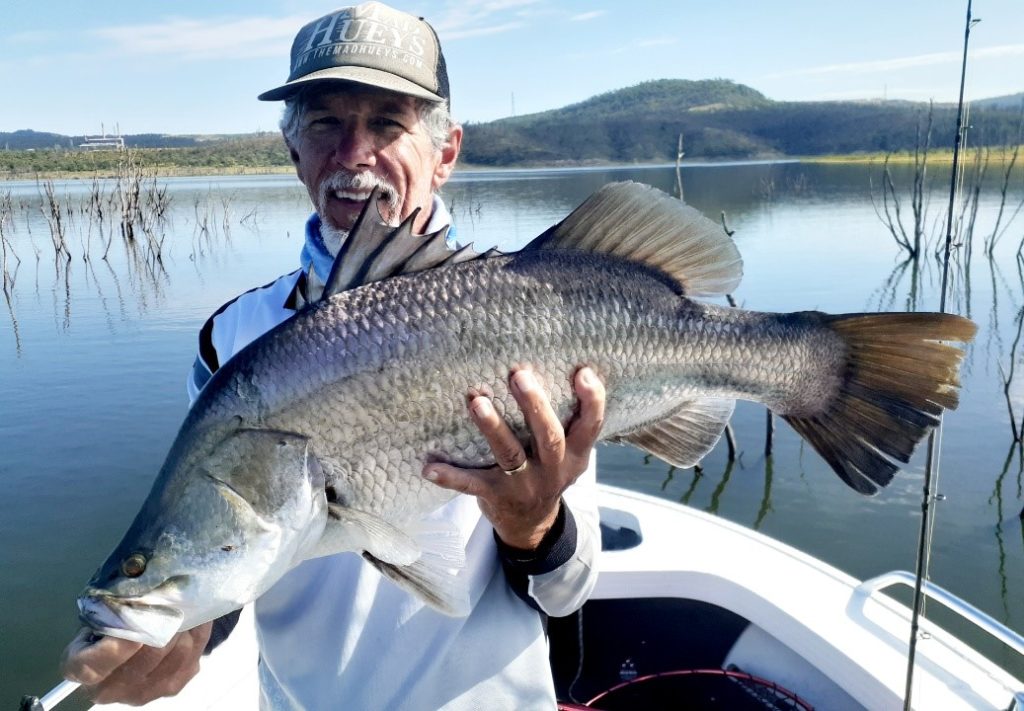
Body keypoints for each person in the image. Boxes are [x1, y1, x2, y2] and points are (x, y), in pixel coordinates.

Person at [61, 3, 605, 708]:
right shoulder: (230, 339)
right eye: (325, 123)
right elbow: (240, 545)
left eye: (387, 122)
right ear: (293, 152)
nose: (353, 155)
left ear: (446, 153)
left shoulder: (532, 312)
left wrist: (535, 527)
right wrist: (189, 628)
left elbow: (569, 589)